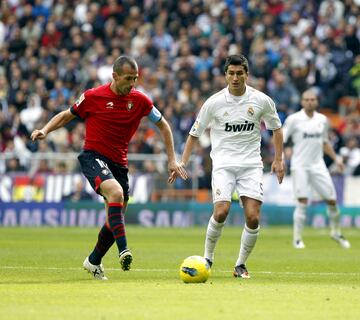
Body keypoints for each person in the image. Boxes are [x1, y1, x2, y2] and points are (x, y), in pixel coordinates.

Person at [31, 55, 188, 280]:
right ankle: (124, 250)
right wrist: (45, 130)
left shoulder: (141, 100)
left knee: (115, 218)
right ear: (114, 76)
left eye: (135, 79)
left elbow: (164, 126)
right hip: (93, 156)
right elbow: (67, 116)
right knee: (116, 193)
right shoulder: (93, 96)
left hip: (119, 164)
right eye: (127, 79)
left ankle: (94, 261)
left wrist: (172, 159)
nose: (132, 84)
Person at [170, 54, 285, 279]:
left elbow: (276, 129)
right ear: (225, 75)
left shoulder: (261, 100)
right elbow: (195, 133)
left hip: (251, 165)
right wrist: (182, 161)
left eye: (239, 73)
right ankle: (208, 258)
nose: (235, 78)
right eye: (231, 73)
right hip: (223, 165)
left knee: (253, 217)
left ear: (246, 75)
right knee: (221, 212)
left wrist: (279, 159)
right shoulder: (214, 103)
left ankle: (240, 264)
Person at [283, 89, 350, 249]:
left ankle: (336, 232)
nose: (310, 102)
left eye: (313, 99)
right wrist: (283, 154)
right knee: (303, 202)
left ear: (317, 102)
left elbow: (325, 142)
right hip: (300, 166)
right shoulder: (294, 119)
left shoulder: (323, 120)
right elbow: (283, 138)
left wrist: (336, 159)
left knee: (332, 201)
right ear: (302, 101)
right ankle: (297, 239)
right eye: (307, 99)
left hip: (318, 165)